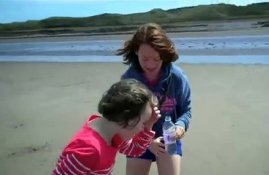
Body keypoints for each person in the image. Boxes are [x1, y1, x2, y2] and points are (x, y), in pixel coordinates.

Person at [117, 23, 192, 175]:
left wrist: (180, 127)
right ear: (136, 51)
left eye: (156, 59)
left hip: (168, 139)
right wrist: (147, 142)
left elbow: (186, 111)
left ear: (164, 55)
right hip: (138, 139)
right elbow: (124, 120)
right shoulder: (128, 80)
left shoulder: (177, 78)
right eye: (145, 59)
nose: (150, 65)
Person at [52, 79, 161, 175]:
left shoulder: (113, 134)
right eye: (143, 123)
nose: (143, 128)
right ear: (129, 120)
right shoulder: (88, 150)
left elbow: (135, 150)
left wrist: (149, 124)